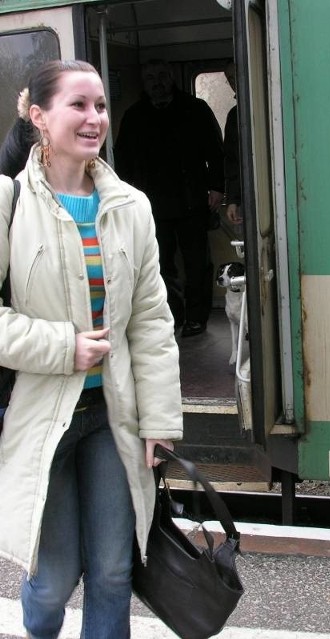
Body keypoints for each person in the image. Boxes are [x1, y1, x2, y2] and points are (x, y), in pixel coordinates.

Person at [0, 59, 183, 639]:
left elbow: (151, 322)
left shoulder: (131, 207)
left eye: (101, 105)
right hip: (42, 416)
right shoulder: (9, 204)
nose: (94, 118)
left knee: (111, 572)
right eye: (78, 105)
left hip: (113, 418)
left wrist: (159, 420)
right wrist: (62, 346)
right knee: (52, 582)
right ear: (38, 116)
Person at [115, 59, 225, 337]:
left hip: (192, 201)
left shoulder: (196, 109)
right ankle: (172, 316)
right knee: (160, 265)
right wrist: (125, 199)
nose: (157, 82)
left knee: (197, 264)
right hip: (150, 206)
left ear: (172, 78)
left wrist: (216, 187)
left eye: (162, 75)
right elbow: (123, 164)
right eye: (150, 77)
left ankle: (197, 318)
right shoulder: (133, 116)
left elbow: (216, 151)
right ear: (144, 83)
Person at [222, 60, 243, 231]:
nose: (234, 81)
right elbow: (232, 161)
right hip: (246, 195)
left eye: (237, 74)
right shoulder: (234, 116)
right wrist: (232, 200)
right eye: (230, 78)